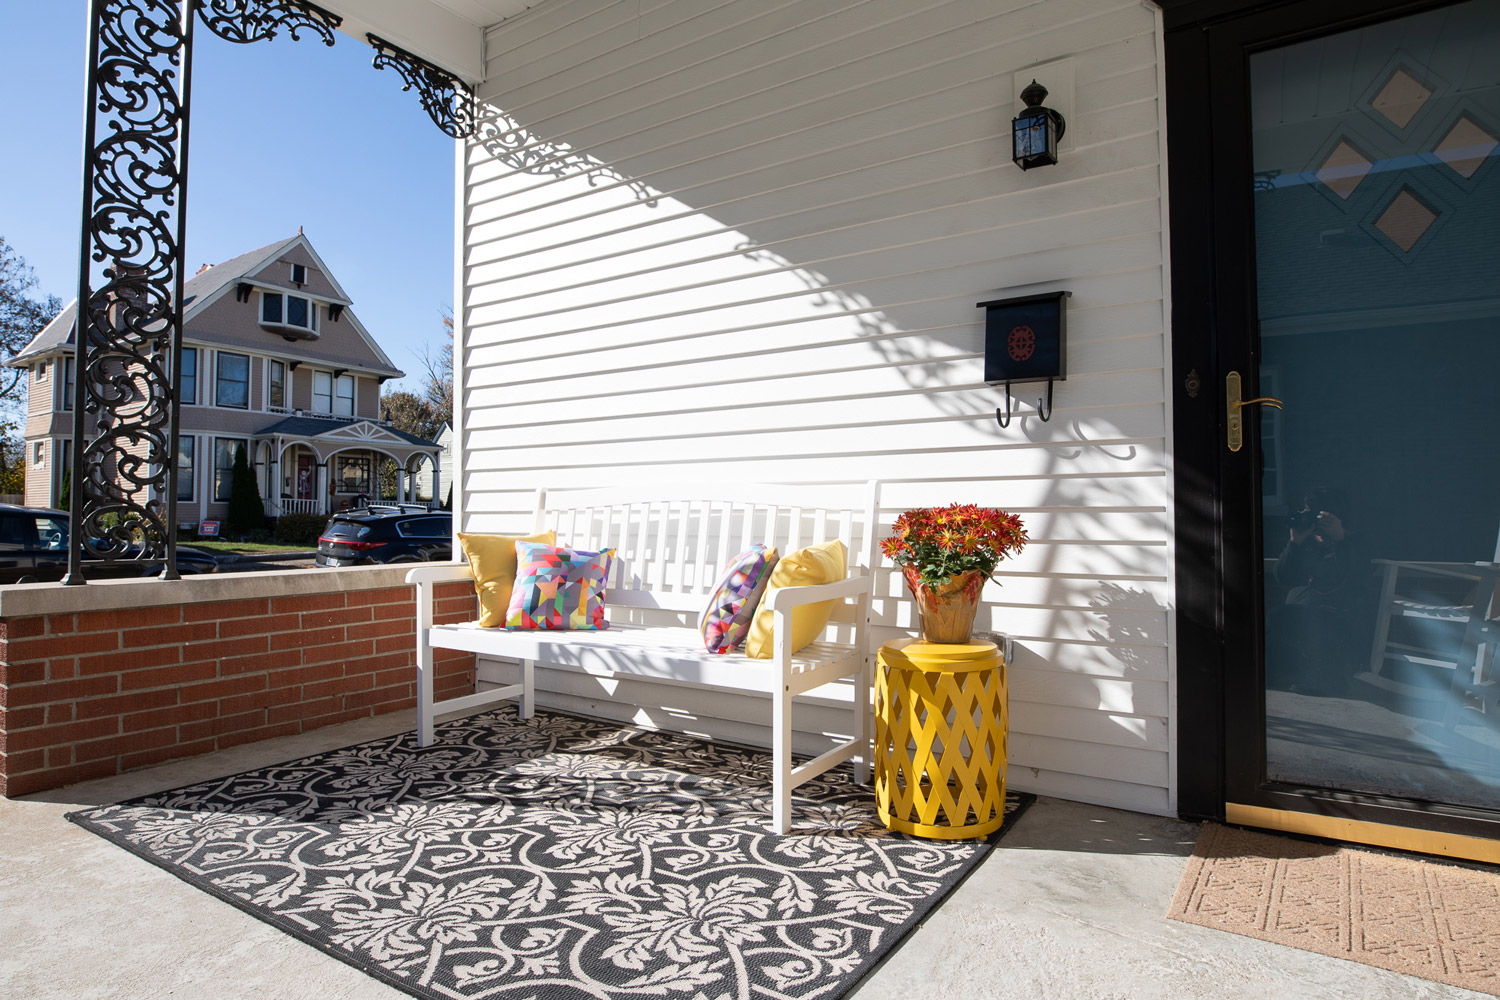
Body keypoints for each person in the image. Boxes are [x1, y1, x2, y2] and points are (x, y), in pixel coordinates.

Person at [1267, 487, 1367, 696]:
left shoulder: (1353, 542)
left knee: (1290, 617)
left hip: (1335, 618)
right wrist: (1295, 542)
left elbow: (1358, 574)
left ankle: (1324, 681)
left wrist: (1339, 538)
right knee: (1275, 618)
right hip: (1298, 615)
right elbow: (1282, 577)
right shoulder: (1305, 544)